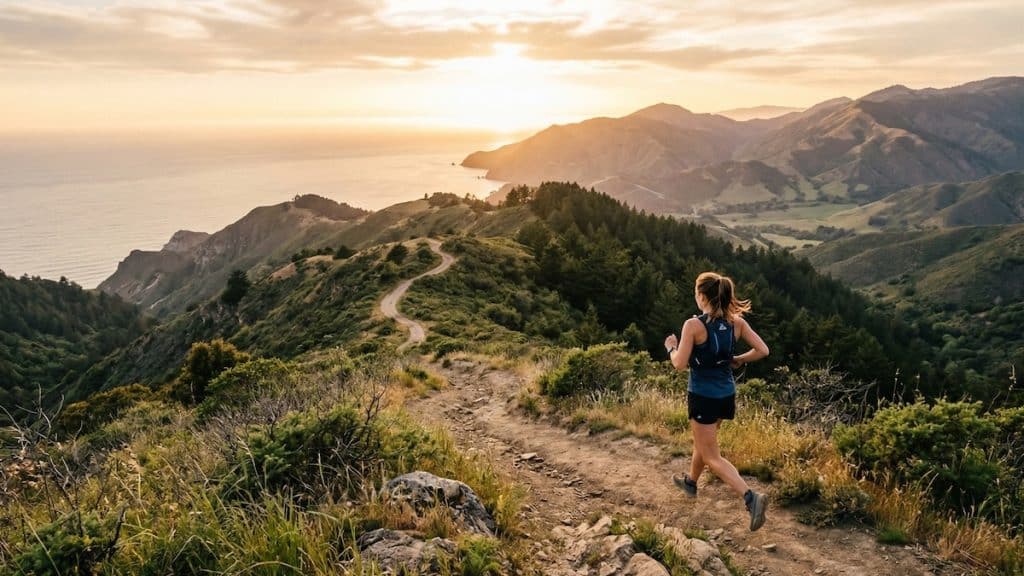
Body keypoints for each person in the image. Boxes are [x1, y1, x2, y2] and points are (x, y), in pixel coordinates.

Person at [663, 271, 771, 531]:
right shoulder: (736, 323)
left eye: (696, 293)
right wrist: (740, 359)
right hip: (726, 395)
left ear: (702, 296)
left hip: (702, 396)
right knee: (704, 442)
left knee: (712, 456)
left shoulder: (693, 326)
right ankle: (690, 483)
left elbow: (679, 364)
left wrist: (671, 347)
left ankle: (751, 498)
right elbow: (763, 350)